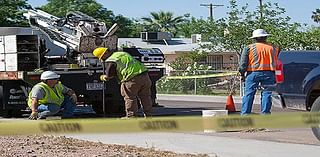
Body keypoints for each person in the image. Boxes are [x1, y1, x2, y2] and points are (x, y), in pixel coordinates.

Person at [92, 47, 153, 118]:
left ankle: (131, 116)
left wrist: (103, 77)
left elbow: (109, 75)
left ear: (105, 54)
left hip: (131, 79)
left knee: (130, 97)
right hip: (144, 76)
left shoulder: (111, 60)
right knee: (145, 97)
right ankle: (149, 115)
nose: (103, 59)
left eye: (102, 57)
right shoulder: (122, 53)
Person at [239, 29, 279, 115]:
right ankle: (265, 114)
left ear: (254, 38)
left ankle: (245, 114)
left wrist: (242, 73)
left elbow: (243, 63)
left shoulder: (249, 48)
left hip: (253, 73)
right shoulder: (274, 48)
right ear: (266, 37)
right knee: (267, 94)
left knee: (249, 94)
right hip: (269, 73)